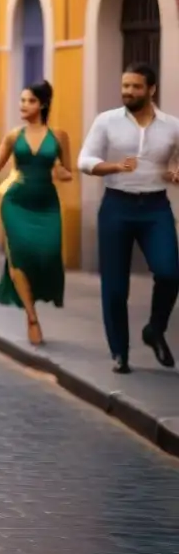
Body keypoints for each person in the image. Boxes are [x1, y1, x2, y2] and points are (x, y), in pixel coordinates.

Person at [78, 63, 179, 374]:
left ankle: (154, 329)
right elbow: (85, 160)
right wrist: (114, 167)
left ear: (151, 90)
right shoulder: (106, 121)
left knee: (170, 272)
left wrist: (175, 172)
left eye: (135, 87)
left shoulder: (172, 126)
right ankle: (119, 352)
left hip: (155, 208)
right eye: (125, 86)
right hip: (116, 207)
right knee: (116, 286)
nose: (128, 92)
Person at [0, 81, 72, 346]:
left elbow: (68, 172)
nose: (24, 105)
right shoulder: (13, 136)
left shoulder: (59, 136)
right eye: (22, 100)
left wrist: (59, 171)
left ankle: (37, 298)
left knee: (47, 254)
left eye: (30, 101)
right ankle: (32, 317)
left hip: (46, 205)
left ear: (42, 104)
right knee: (19, 257)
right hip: (16, 203)